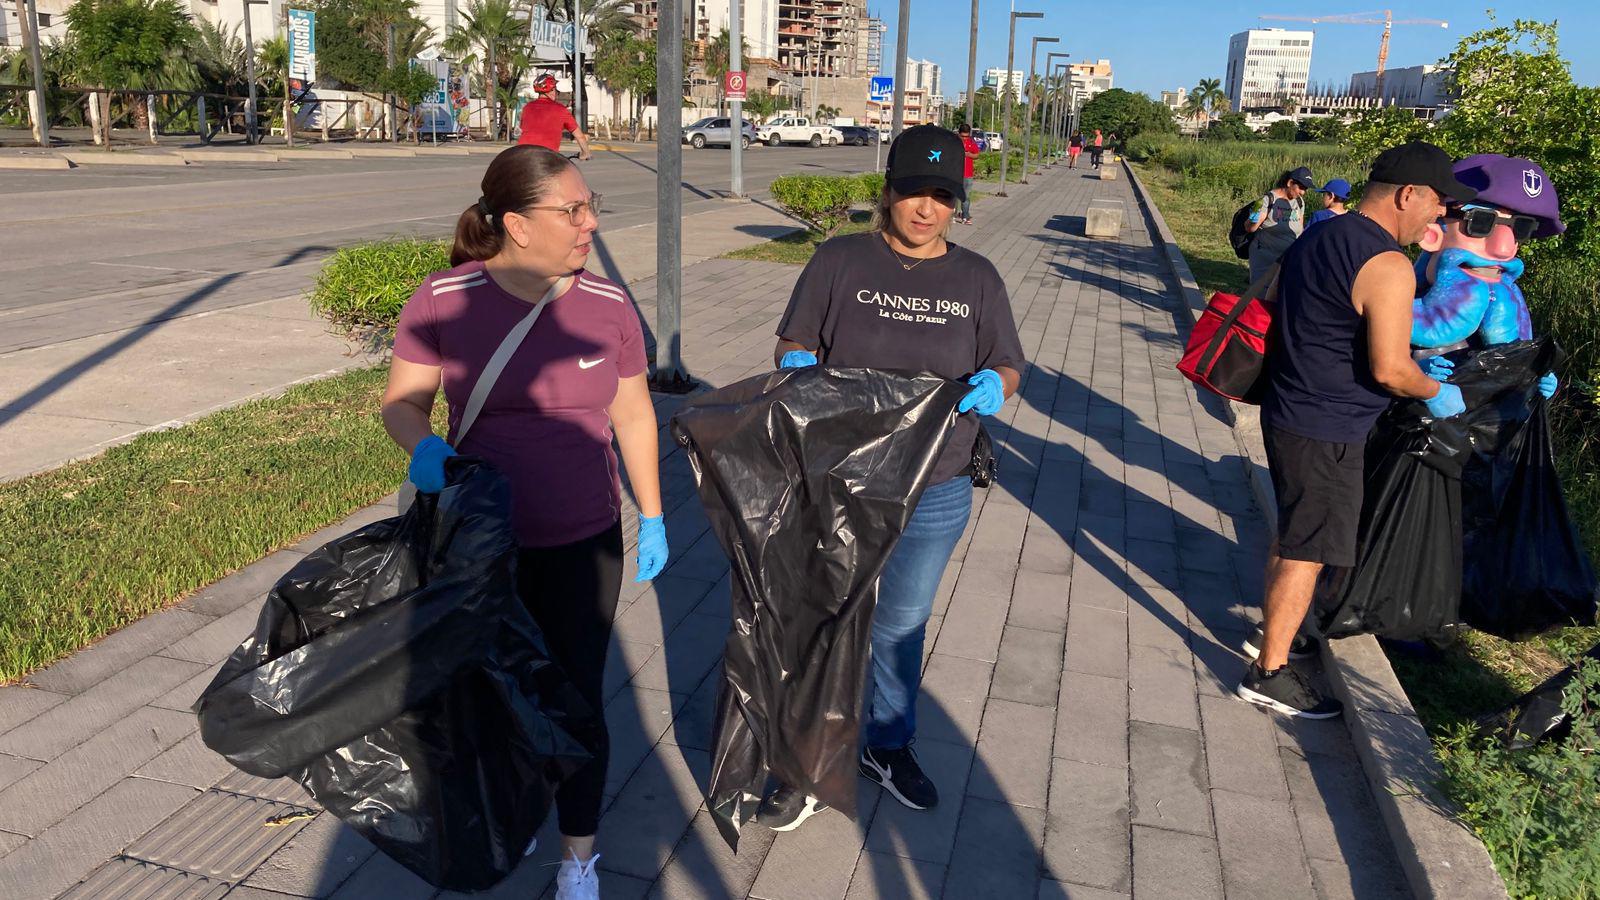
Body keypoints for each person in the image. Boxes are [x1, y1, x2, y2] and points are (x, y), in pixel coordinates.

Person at [382, 145, 666, 899]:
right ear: (515, 224)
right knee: (490, 687)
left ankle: (579, 856)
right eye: (573, 210)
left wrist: (654, 514)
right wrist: (425, 448)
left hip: (583, 542)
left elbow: (634, 414)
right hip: (482, 543)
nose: (590, 222)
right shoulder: (444, 298)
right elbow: (402, 403)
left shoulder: (607, 306)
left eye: (590, 205)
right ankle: (517, 805)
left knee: (576, 695)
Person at [761, 124, 1026, 829]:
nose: (926, 208)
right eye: (913, 192)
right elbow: (794, 338)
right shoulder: (840, 260)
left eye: (942, 195)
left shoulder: (977, 278)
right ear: (888, 192)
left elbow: (1007, 361)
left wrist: (997, 385)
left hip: (935, 481)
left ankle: (886, 742)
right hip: (841, 476)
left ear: (957, 202)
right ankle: (804, 758)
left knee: (901, 624)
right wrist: (794, 361)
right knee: (825, 613)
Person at [1236, 142, 1478, 718]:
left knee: (1296, 533)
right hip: (1329, 425)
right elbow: (1390, 369)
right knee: (1309, 550)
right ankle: (1270, 672)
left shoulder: (1320, 234)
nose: (1440, 214)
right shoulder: (1387, 264)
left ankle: (1275, 632)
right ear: (1408, 195)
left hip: (1289, 407)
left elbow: (1311, 314)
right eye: (1439, 202)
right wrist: (1435, 390)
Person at [1244, 166, 1315, 283]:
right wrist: (1253, 218)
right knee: (1260, 291)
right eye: (1301, 187)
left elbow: (1300, 229)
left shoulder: (1299, 202)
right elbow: (1250, 228)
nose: (1303, 192)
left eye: (1305, 189)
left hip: (1286, 258)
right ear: (1290, 183)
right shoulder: (1269, 200)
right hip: (1264, 257)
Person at [518, 74, 593, 159]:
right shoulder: (561, 110)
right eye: (555, 89)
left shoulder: (527, 107)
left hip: (522, 154)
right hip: (547, 156)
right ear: (552, 90)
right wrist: (585, 153)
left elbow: (523, 128)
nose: (556, 93)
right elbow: (580, 137)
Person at [958, 123, 980, 225]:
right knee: (954, 196)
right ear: (959, 134)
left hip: (968, 174)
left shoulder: (971, 142)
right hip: (956, 173)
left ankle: (965, 216)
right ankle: (953, 214)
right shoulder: (955, 142)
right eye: (962, 136)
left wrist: (969, 154)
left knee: (966, 197)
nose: (964, 138)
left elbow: (977, 155)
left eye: (966, 136)